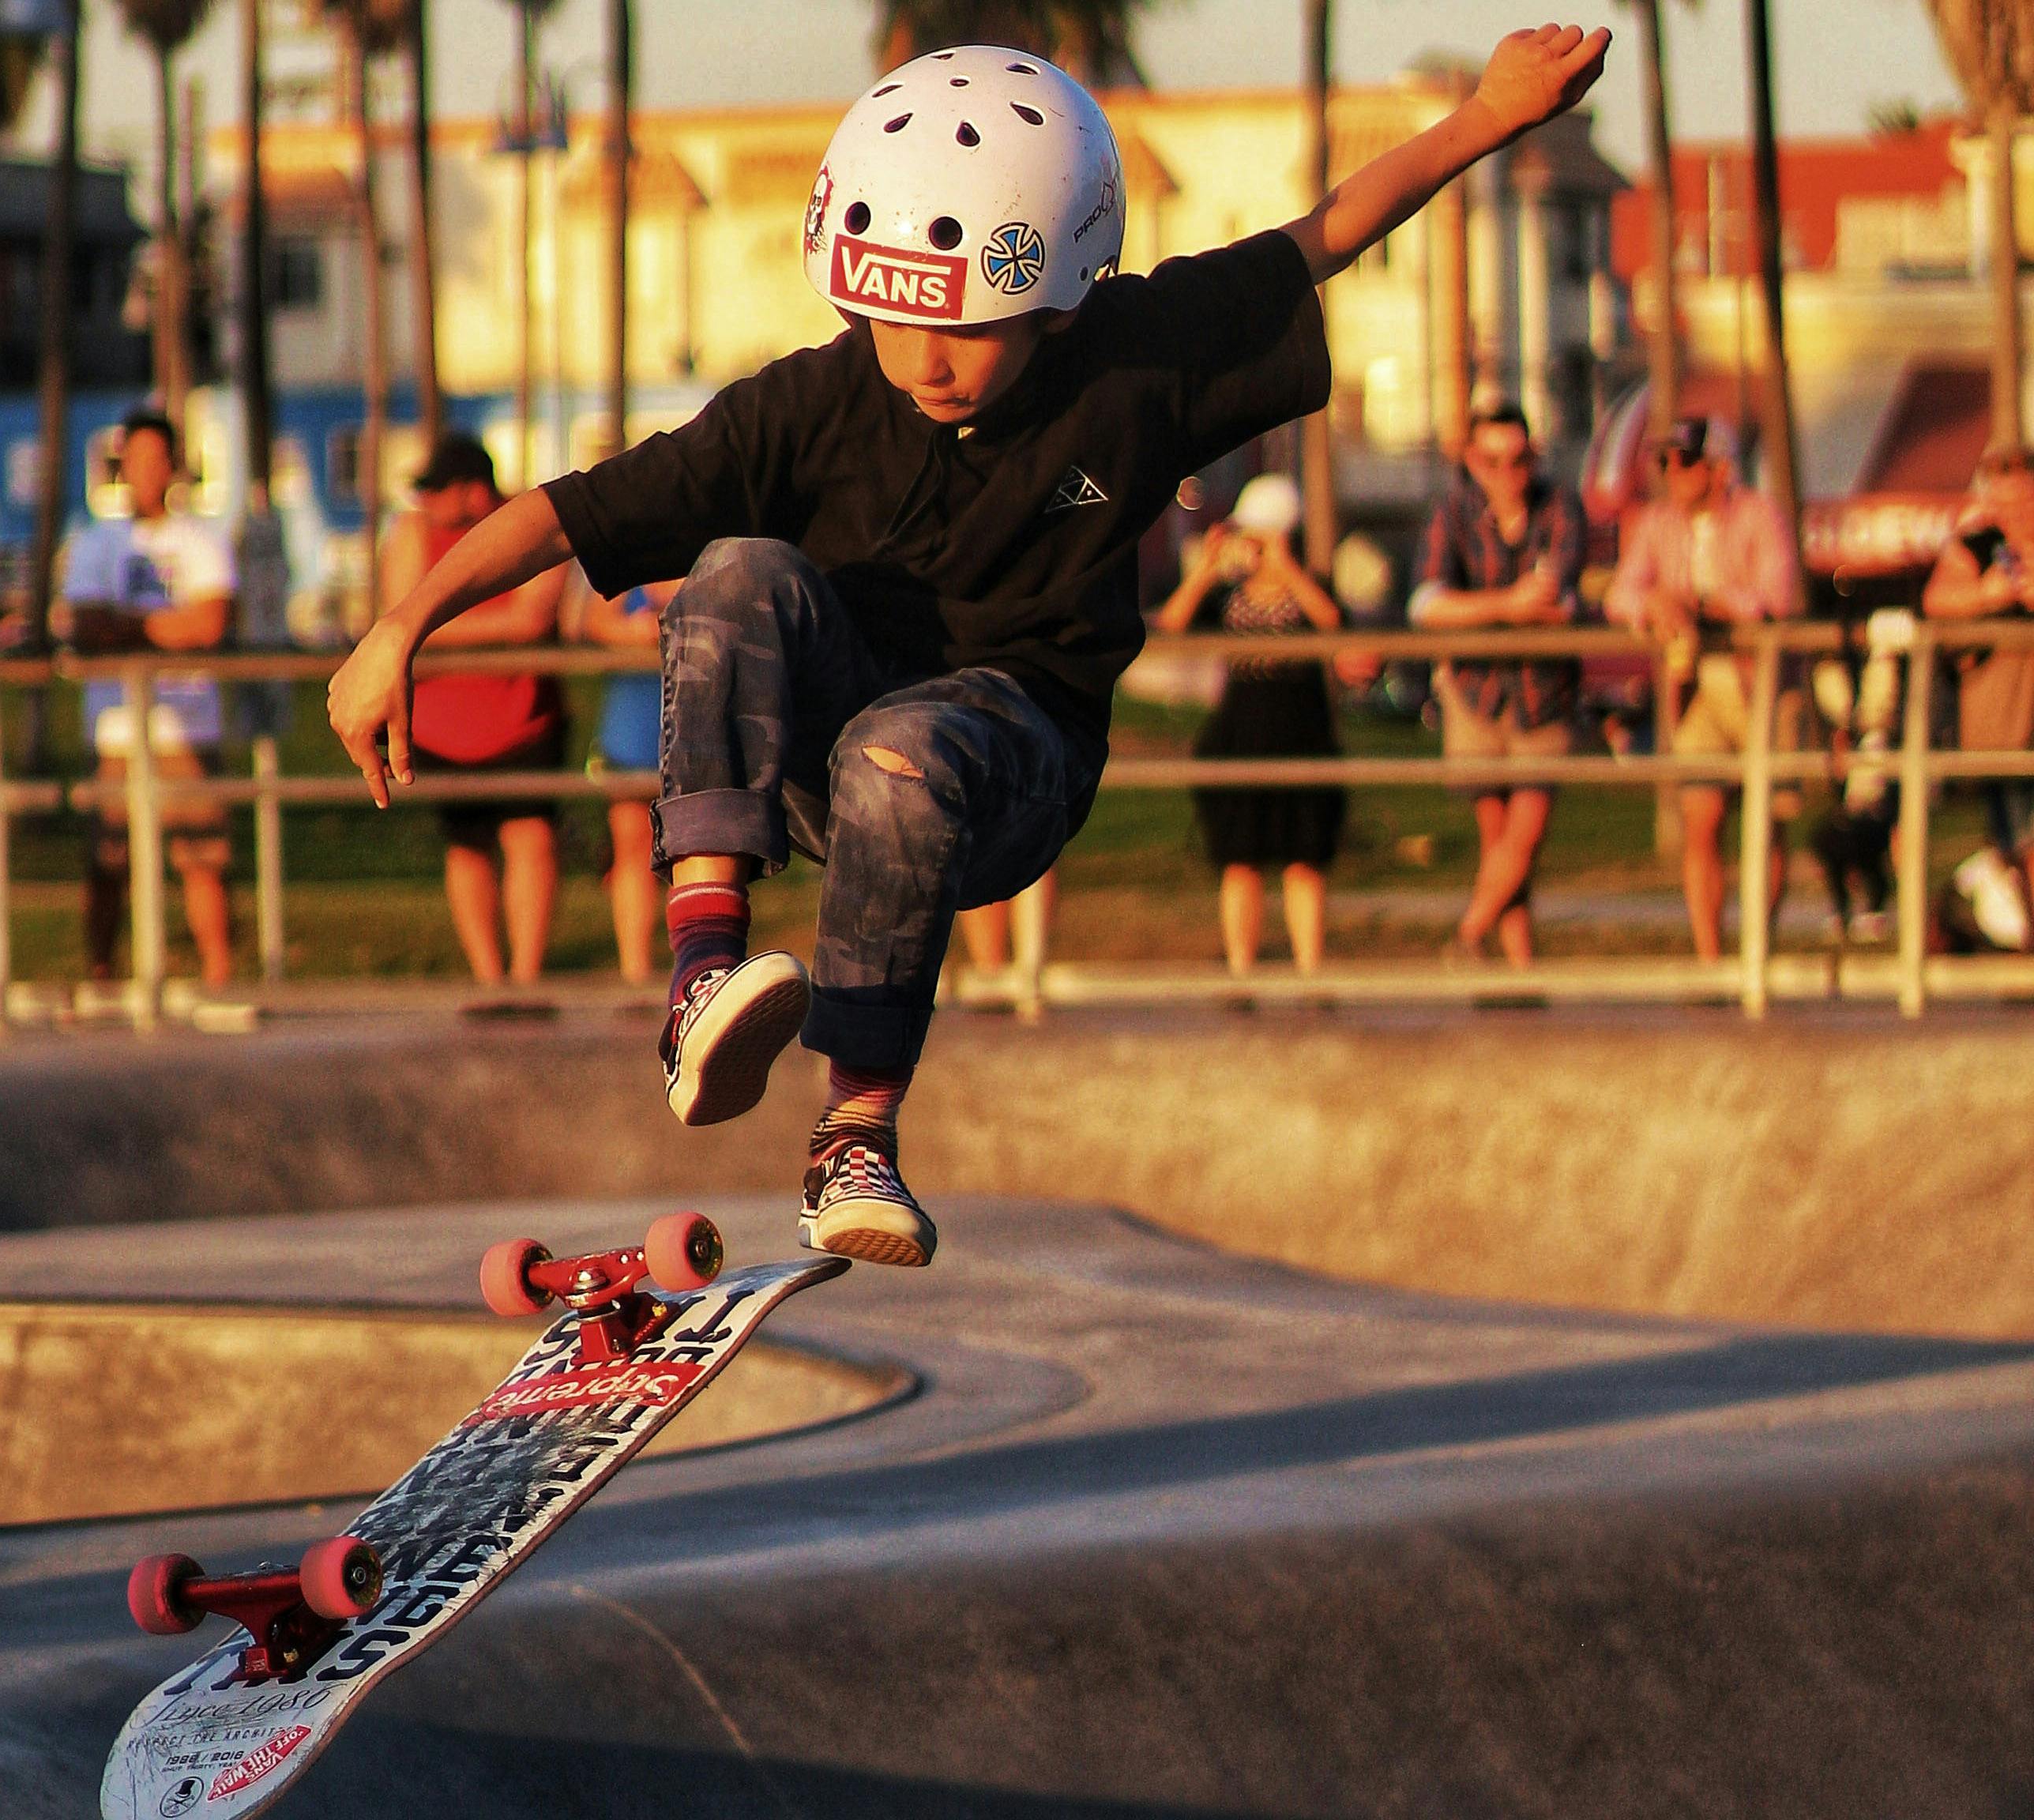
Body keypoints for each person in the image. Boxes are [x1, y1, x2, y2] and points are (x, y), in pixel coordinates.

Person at [327, 26, 1611, 1267]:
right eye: (899, 328)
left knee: (906, 744)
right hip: (830, 755)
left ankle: (857, 1134)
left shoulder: (1136, 359)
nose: (927, 364)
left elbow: (1323, 234)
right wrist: (402, 626)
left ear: (1058, 305)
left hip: (1017, 764)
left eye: (967, 333)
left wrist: (1489, 117)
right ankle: (702, 965)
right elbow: (573, 509)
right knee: (732, 574)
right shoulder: (812, 401)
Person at [1604, 415, 1802, 962]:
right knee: (1702, 818)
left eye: (1683, 462)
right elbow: (1620, 592)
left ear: (1718, 468)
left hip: (1761, 685)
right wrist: (1654, 604)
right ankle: (1710, 959)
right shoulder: (1656, 523)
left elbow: (1774, 598)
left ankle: (1757, 951)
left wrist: (1699, 603)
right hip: (1694, 687)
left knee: (1767, 824)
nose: (1671, 473)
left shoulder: (1760, 516)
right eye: (1665, 462)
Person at [375, 434, 569, 987]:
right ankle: (489, 978)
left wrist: (432, 625)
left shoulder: (530, 519)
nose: (429, 503)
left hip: (524, 717)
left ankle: (527, 978)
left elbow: (531, 620)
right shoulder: (414, 531)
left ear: (475, 489)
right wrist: (443, 630)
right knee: (467, 846)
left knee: (531, 838)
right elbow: (397, 618)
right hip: (445, 728)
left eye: (440, 490)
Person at [60, 411, 238, 991]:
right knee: (108, 859)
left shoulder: (200, 540)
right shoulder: (95, 541)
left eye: (157, 458)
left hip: (186, 724)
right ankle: (102, 974)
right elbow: (85, 626)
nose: (147, 471)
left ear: (174, 466)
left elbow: (211, 622)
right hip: (115, 729)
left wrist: (130, 628)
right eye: (135, 458)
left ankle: (218, 975)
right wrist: (165, 626)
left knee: (202, 858)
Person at [1408, 399, 1586, 965]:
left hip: (1545, 690)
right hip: (1475, 691)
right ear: (1471, 460)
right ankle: (1517, 968)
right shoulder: (1451, 512)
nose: (1507, 473)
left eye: (1519, 460)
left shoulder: (1560, 505)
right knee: (1498, 838)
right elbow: (1428, 605)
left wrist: (1479, 608)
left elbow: (1557, 598)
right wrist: (1509, 604)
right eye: (1492, 461)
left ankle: (1466, 935)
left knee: (1527, 832)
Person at [1153, 474, 1348, 976]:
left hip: (1304, 739)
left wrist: (1289, 570)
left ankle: (1311, 973)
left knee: (1304, 862)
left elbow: (1334, 624)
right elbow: (1171, 624)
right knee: (1241, 863)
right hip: (1239, 737)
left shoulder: (1313, 588)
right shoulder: (1227, 595)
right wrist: (1206, 570)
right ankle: (1242, 972)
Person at [1922, 444, 2034, 912]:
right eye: (2001, 502)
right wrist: (1991, 594)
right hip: (2002, 723)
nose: (2012, 514)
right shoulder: (1980, 545)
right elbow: (1937, 599)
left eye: (2022, 501)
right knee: (2016, 843)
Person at [578, 576, 673, 983]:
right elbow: (592, 621)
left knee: (696, 849)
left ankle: (694, 972)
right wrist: (638, 632)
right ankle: (636, 973)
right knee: (632, 844)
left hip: (695, 722)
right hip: (632, 720)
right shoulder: (632, 552)